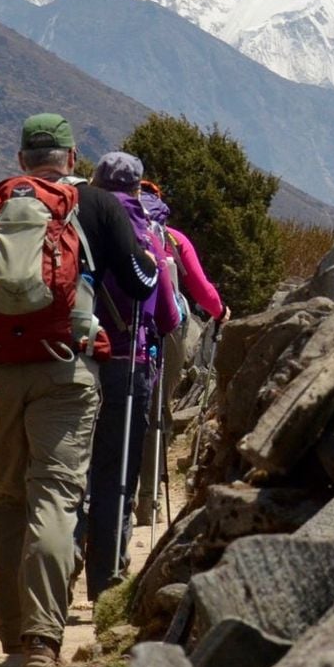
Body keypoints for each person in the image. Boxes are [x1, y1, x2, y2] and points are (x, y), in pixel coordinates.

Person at [0, 114, 159, 667]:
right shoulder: (98, 206)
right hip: (65, 371)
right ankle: (41, 639)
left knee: (7, 497)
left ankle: (9, 628)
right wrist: (152, 265)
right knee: (54, 497)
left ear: (23, 156)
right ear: (72, 157)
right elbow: (139, 282)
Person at [75, 151, 175, 600]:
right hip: (129, 366)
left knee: (74, 470)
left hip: (75, 360)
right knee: (116, 476)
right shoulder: (150, 236)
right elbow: (169, 315)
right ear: (139, 189)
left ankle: (65, 560)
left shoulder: (77, 223)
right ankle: (106, 581)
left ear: (94, 180)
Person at [132, 176, 229, 526]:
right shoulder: (172, 238)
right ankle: (148, 500)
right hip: (169, 326)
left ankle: (111, 494)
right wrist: (220, 313)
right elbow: (202, 288)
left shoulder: (113, 225)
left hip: (122, 328)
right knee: (158, 408)